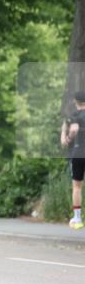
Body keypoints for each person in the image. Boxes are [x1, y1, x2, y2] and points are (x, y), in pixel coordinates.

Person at [61, 91, 85, 229]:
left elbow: (74, 129)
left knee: (77, 186)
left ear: (76, 102)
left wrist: (68, 138)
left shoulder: (75, 115)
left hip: (79, 153)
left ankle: (77, 218)